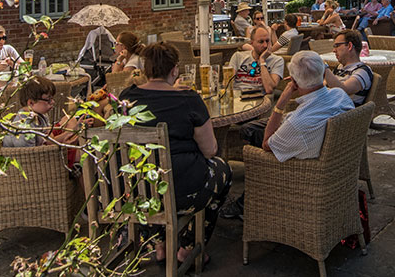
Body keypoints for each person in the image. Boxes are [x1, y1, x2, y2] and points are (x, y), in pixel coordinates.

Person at [119, 43, 231, 263]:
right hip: (181, 190)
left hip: (136, 188)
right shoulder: (188, 100)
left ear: (147, 70)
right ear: (174, 70)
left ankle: (158, 244)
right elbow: (210, 150)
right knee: (222, 172)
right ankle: (187, 246)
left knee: (148, 181)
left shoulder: (127, 97)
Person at [220, 50, 353, 219]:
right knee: (251, 129)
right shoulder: (340, 95)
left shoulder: (297, 124)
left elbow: (267, 144)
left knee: (257, 144)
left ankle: (250, 201)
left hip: (303, 172)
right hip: (334, 164)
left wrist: (282, 101)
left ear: (295, 82)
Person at [226, 25, 284, 95]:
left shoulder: (277, 60)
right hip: (237, 96)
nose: (265, 45)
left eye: (267, 41)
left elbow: (269, 89)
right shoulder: (238, 56)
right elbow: (228, 84)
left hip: (259, 98)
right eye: (261, 42)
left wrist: (262, 61)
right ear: (252, 43)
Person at [322, 29, 374, 106]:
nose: (334, 50)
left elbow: (343, 89)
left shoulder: (362, 71)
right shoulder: (340, 67)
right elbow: (324, 86)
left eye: (337, 46)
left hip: (341, 114)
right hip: (327, 106)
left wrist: (324, 67)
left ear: (349, 46)